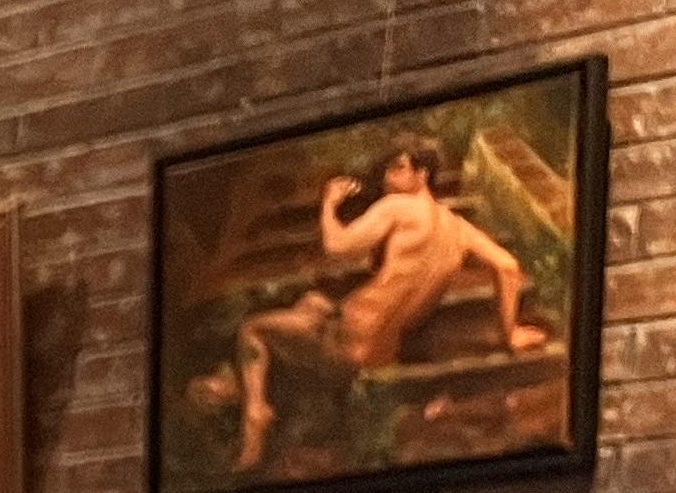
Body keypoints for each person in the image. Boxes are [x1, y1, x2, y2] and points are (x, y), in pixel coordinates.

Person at [224, 138, 551, 471]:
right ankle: (238, 384)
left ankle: (255, 413)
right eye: (387, 169)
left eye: (398, 168)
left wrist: (329, 203)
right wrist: (510, 334)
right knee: (314, 303)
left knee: (252, 330)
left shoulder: (398, 207)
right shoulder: (459, 228)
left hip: (346, 344)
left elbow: (337, 247)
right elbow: (507, 267)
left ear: (422, 175)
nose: (387, 177)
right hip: (381, 352)